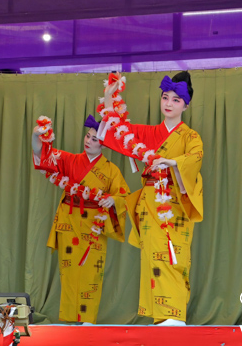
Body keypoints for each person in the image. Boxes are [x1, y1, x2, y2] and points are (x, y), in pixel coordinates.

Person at [97, 71, 203, 325]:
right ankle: (160, 316)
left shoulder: (190, 136)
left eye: (176, 100)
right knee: (154, 256)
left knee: (174, 256)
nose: (168, 103)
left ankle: (174, 313)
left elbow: (195, 159)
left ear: (186, 105)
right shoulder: (146, 133)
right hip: (149, 202)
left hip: (174, 202)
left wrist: (174, 162)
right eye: (165, 97)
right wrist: (109, 98)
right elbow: (117, 132)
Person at [31, 115, 129, 324]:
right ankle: (70, 318)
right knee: (69, 271)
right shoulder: (70, 160)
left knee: (92, 273)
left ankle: (88, 319)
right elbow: (42, 155)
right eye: (87, 136)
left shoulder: (111, 170)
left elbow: (123, 196)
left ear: (103, 144)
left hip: (94, 223)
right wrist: (35, 135)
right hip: (69, 219)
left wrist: (112, 200)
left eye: (94, 139)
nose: (88, 141)